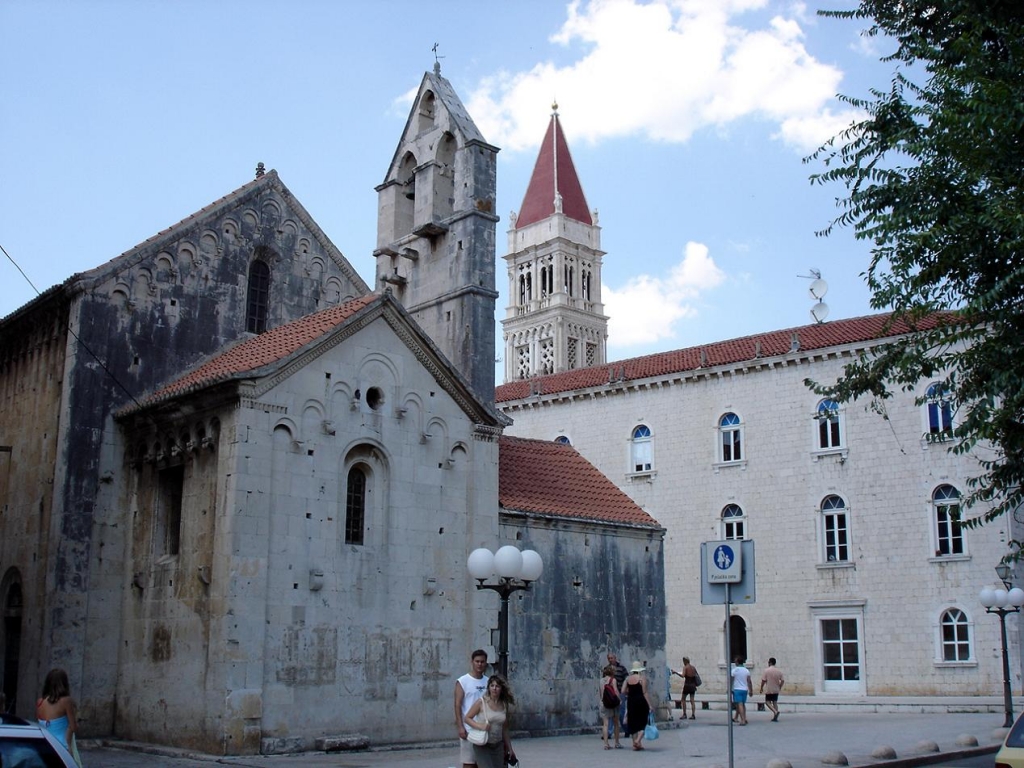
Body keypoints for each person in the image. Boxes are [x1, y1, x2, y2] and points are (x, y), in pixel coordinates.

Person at [463, 674, 516, 768]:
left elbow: (505, 729)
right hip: (483, 744)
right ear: (488, 688)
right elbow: (467, 718)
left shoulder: (504, 705)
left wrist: (509, 748)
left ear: (501, 689)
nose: (494, 688)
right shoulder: (481, 702)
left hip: (498, 745)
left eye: (497, 686)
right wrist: (480, 726)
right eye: (492, 686)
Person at [36, 668, 82, 767]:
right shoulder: (66, 701)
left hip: (45, 746)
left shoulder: (40, 702)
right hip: (62, 747)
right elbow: (74, 727)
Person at [454, 649, 489, 768]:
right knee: (469, 763)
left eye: (482, 662)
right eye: (477, 661)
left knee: (483, 763)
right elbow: (457, 705)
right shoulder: (463, 681)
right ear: (472, 662)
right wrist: (460, 727)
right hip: (469, 729)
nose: (480, 664)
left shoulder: (489, 682)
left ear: (486, 663)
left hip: (484, 728)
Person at [620, 660, 653, 751]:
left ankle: (636, 744)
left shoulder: (627, 679)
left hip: (631, 701)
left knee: (633, 722)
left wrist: (630, 692)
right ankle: (638, 741)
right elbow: (645, 692)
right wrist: (650, 705)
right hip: (641, 701)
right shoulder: (642, 678)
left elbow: (623, 691)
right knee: (643, 722)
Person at [604, 652, 628, 738]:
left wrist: (625, 691)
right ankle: (609, 732)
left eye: (612, 658)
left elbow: (626, 679)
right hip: (610, 694)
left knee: (621, 713)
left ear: (615, 658)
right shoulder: (606, 669)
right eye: (609, 658)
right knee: (610, 713)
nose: (610, 659)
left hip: (620, 693)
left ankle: (626, 729)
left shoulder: (622, 668)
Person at [598, 664, 622, 749]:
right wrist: (620, 699)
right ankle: (617, 742)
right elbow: (615, 690)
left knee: (605, 724)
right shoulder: (613, 680)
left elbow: (601, 693)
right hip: (613, 704)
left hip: (604, 703)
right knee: (616, 723)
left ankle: (605, 744)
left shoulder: (601, 680)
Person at [760, 656, 785, 722]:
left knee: (767, 702)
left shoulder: (766, 671)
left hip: (769, 689)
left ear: (770, 662)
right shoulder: (779, 671)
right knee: (775, 702)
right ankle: (775, 716)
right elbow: (782, 680)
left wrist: (761, 687)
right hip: (776, 689)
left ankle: (775, 712)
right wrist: (780, 686)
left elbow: (763, 680)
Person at [730, 655, 752, 726]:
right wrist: (751, 690)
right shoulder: (746, 670)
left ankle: (742, 720)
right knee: (742, 704)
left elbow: (731, 680)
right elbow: (749, 681)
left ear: (737, 662)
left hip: (737, 689)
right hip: (744, 689)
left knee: (739, 704)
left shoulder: (734, 670)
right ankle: (744, 718)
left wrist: (730, 688)